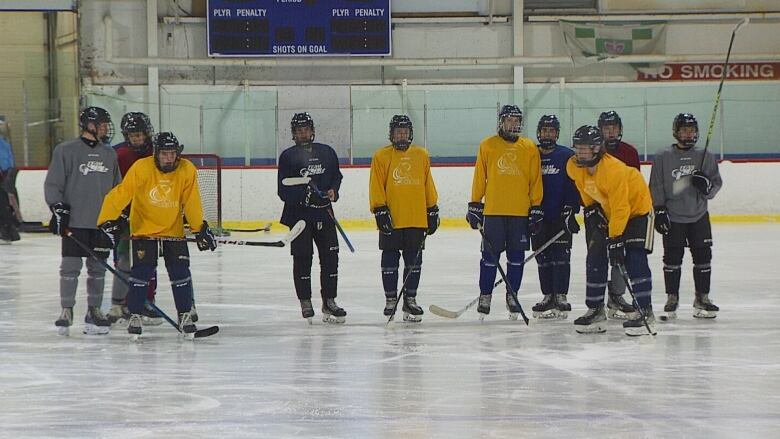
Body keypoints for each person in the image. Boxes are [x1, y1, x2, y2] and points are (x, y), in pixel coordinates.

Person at [97, 132, 216, 339]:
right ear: (156, 154)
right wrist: (106, 220)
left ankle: (185, 314)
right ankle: (134, 314)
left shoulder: (187, 169)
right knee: (141, 273)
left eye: (172, 154)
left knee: (180, 272)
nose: (169, 158)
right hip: (144, 229)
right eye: (164, 154)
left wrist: (199, 229)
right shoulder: (142, 168)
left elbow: (191, 202)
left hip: (173, 230)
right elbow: (121, 193)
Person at [566, 125, 656, 336]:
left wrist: (616, 239)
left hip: (638, 211)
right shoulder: (573, 166)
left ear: (597, 148)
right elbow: (583, 186)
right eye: (577, 147)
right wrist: (591, 209)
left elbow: (622, 207)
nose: (579, 152)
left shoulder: (613, 170)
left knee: (635, 257)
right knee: (595, 255)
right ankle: (595, 309)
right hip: (609, 211)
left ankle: (645, 309)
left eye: (584, 148)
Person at [44, 106, 120, 336]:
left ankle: (94, 310)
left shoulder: (110, 154)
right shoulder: (66, 151)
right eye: (103, 124)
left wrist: (117, 216)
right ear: (90, 125)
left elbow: (118, 189)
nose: (107, 128)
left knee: (98, 269)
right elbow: (53, 183)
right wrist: (57, 207)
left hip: (100, 223)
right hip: (75, 221)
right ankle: (67, 310)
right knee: (70, 268)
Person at [467, 104, 543, 320]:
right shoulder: (488, 145)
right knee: (489, 257)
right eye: (509, 119)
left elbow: (535, 180)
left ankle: (512, 295)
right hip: (494, 212)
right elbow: (480, 176)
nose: (513, 124)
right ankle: (485, 294)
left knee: (516, 258)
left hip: (520, 213)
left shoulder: (529, 148)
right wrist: (475, 203)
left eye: (516, 120)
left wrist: (536, 207)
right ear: (501, 121)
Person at [649, 113, 722, 319]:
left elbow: (715, 183)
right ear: (676, 132)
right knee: (672, 259)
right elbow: (656, 184)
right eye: (684, 130)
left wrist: (706, 186)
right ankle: (672, 298)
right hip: (673, 216)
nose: (688, 134)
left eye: (691, 130)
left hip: (698, 215)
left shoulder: (705, 155)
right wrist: (659, 209)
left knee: (703, 258)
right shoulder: (663, 156)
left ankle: (702, 297)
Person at [277, 112, 346, 323]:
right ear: (293, 134)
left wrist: (333, 190)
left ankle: (329, 301)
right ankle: (305, 301)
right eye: (298, 130)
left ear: (312, 130)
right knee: (302, 258)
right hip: (300, 218)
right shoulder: (288, 156)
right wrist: (304, 197)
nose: (303, 133)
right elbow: (283, 189)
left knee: (330, 258)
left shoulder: (327, 152)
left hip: (324, 215)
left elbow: (337, 176)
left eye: (306, 129)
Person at [369, 115, 439, 322]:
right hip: (392, 217)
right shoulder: (381, 156)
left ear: (410, 134)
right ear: (391, 134)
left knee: (414, 262)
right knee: (389, 259)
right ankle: (391, 299)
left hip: (416, 217)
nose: (402, 135)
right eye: (398, 132)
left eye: (405, 132)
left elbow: (428, 183)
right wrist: (379, 208)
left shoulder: (421, 154)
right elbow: (376, 184)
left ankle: (410, 300)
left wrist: (432, 208)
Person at [107, 112, 163, 325]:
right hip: (123, 217)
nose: (138, 139)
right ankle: (119, 303)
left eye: (140, 134)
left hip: (150, 216)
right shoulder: (118, 154)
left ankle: (147, 300)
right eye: (133, 135)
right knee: (123, 260)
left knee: (147, 261)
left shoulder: (157, 153)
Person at [530, 115, 580, 320]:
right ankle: (547, 295)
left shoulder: (567, 155)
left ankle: (561, 295)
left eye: (552, 131)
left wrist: (571, 209)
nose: (547, 134)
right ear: (539, 133)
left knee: (561, 257)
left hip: (560, 216)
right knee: (543, 257)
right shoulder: (531, 155)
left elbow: (575, 183)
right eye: (544, 130)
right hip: (538, 215)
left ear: (557, 133)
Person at [597, 110, 642, 320]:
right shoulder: (594, 152)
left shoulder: (630, 153)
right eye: (607, 128)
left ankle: (616, 295)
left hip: (624, 214)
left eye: (614, 127)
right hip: (600, 215)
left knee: (620, 256)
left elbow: (635, 184)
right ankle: (596, 300)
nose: (611, 131)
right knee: (597, 258)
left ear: (620, 129)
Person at [0, 119, 20, 243]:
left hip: (5, 177)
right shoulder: (5, 143)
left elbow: (9, 162)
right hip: (6, 176)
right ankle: (8, 231)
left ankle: (7, 231)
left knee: (4, 204)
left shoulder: (4, 144)